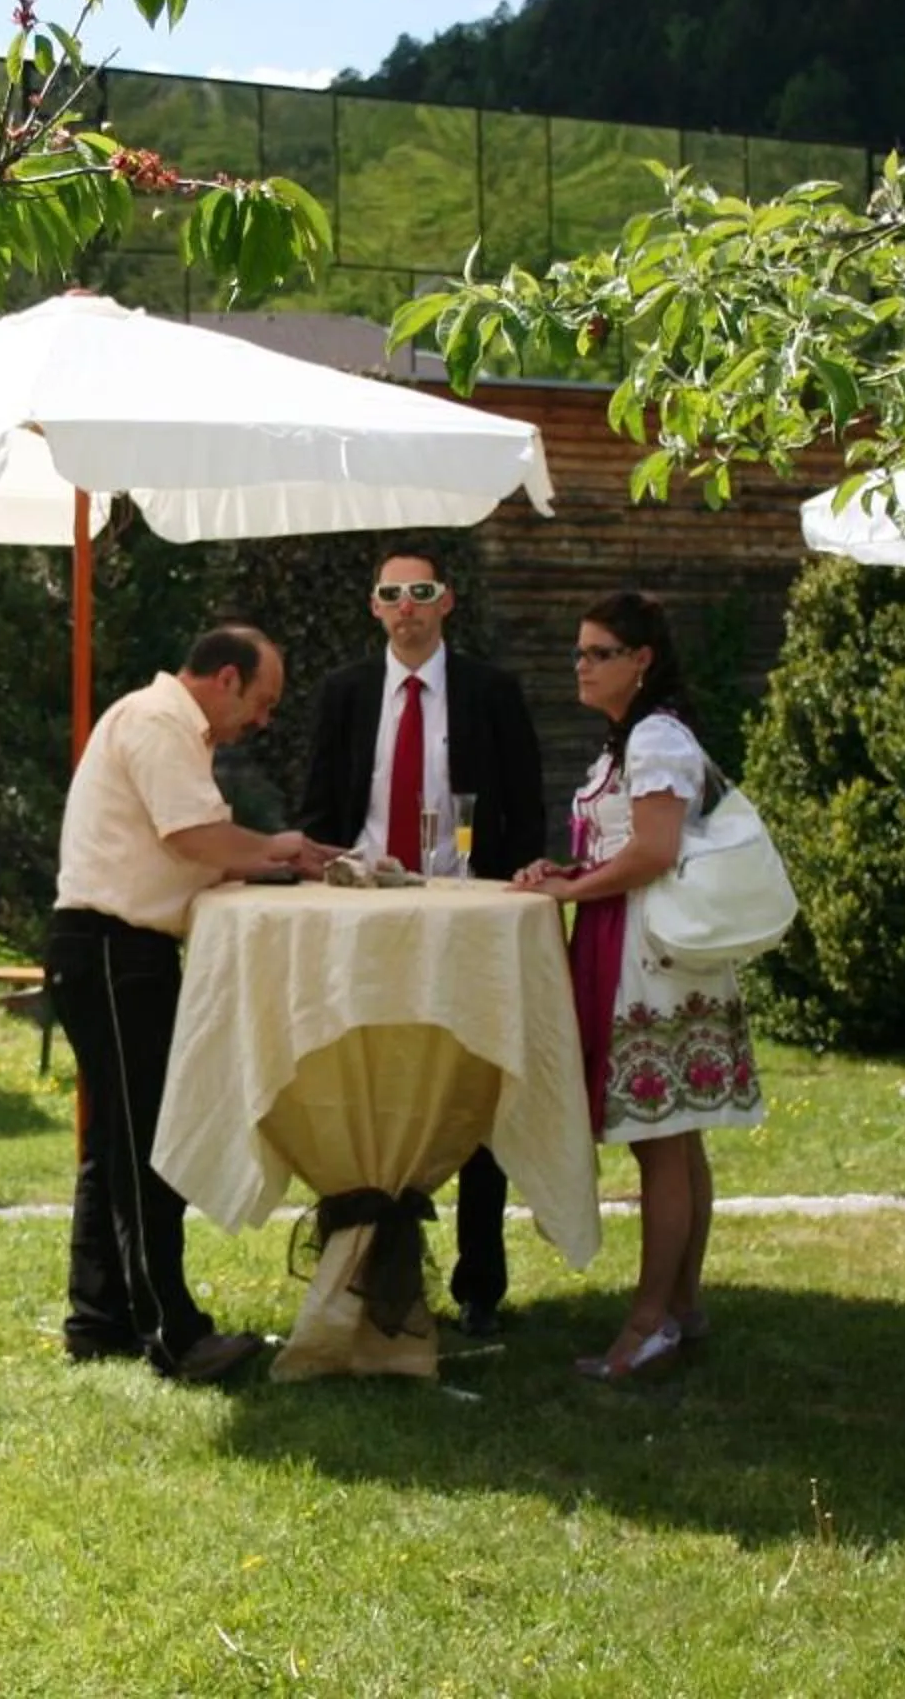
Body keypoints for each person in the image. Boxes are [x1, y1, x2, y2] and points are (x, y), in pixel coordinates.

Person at [48, 625, 341, 1383]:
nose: (263, 720)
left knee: (115, 1141)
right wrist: (279, 848)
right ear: (227, 678)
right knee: (146, 1143)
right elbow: (194, 838)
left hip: (110, 950)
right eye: (263, 702)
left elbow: (193, 851)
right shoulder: (160, 721)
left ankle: (98, 1318)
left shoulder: (164, 723)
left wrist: (279, 857)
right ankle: (174, 1334)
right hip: (113, 950)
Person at [513, 590, 764, 1381]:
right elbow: (628, 845)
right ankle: (682, 1307)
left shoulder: (656, 738)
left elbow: (654, 852)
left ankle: (650, 1322)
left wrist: (571, 890)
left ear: (642, 660)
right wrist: (571, 871)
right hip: (641, 945)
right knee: (677, 1139)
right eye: (579, 653)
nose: (581, 667)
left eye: (600, 654)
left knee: (662, 1140)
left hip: (651, 958)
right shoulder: (633, 740)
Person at [294, 549, 544, 1337]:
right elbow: (316, 811)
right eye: (392, 593)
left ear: (446, 601)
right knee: (361, 1081)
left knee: (473, 1082)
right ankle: (356, 1271)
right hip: (365, 919)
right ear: (374, 606)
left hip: (465, 919)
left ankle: (480, 1285)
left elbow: (527, 809)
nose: (407, 605)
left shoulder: (491, 693)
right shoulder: (343, 693)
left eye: (421, 591)